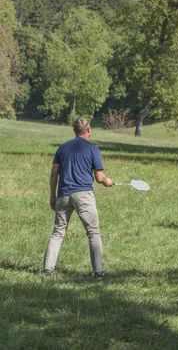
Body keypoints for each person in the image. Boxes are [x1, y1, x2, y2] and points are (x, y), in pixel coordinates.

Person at [43, 118, 113, 279]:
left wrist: (52, 196)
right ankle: (99, 273)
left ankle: (47, 270)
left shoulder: (62, 148)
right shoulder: (92, 149)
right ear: (88, 130)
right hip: (84, 196)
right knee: (93, 233)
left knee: (57, 233)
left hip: (63, 195)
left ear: (74, 130)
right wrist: (107, 181)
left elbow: (54, 174)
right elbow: (100, 177)